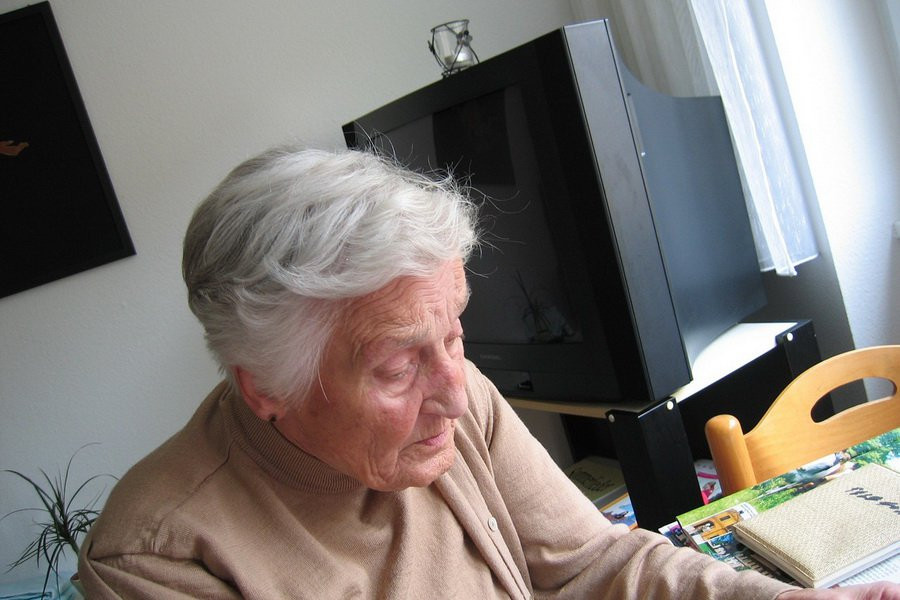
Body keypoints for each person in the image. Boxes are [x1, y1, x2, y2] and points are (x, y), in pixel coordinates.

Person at [78, 145, 900, 599]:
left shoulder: (459, 394)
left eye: (456, 330)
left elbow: (597, 566)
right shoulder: (156, 563)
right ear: (266, 387)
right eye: (398, 364)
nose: (452, 390)